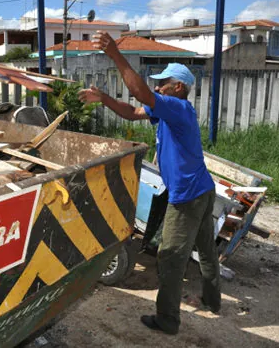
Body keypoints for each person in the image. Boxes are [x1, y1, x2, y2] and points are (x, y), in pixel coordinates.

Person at [78, 31, 221, 335]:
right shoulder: (169, 111)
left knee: (169, 256)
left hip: (187, 197)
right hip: (203, 190)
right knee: (206, 249)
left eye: (162, 83)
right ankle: (212, 301)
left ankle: (167, 320)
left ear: (178, 87)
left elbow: (142, 95)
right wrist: (103, 98)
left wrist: (115, 54)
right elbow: (132, 112)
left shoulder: (178, 108)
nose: (157, 86)